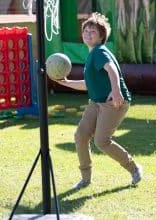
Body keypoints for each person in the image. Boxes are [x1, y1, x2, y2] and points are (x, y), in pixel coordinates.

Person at [55, 12, 142, 189]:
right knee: (81, 136)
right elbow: (89, 84)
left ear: (102, 36)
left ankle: (134, 168)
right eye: (85, 30)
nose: (88, 33)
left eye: (92, 31)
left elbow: (112, 69)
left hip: (113, 102)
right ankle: (85, 179)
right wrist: (66, 83)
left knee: (102, 141)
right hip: (97, 102)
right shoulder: (92, 54)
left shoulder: (99, 52)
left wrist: (116, 91)